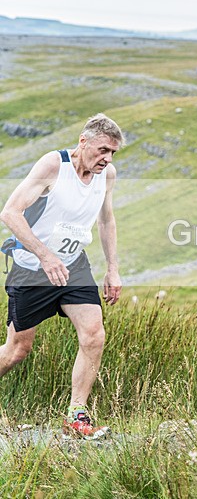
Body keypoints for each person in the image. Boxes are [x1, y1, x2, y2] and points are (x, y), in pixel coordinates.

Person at [0, 113, 123, 438]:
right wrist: (45, 255)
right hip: (32, 270)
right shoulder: (54, 165)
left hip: (73, 266)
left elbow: (106, 220)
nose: (107, 158)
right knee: (17, 350)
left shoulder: (107, 175)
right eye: (102, 150)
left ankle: (76, 415)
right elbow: (10, 213)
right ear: (83, 142)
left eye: (113, 152)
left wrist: (112, 268)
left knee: (94, 334)